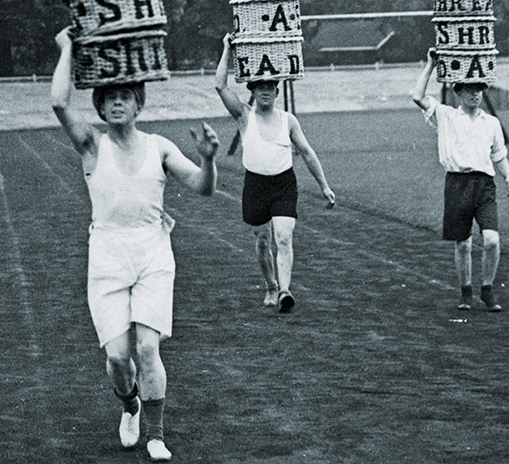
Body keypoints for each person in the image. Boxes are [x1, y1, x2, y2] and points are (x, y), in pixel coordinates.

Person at [50, 27, 219, 461]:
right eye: (109, 97)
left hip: (152, 252)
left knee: (147, 347)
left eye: (126, 95)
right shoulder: (92, 145)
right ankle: (130, 406)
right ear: (101, 106)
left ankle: (156, 435)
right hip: (106, 254)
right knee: (118, 357)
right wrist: (68, 48)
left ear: (139, 102)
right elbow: (57, 102)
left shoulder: (159, 147)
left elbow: (201, 187)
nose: (117, 102)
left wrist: (209, 159)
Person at [215, 33, 336, 312]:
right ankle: (270, 284)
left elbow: (307, 152)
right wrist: (227, 50)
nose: (266, 91)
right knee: (262, 240)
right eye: (260, 87)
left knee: (283, 237)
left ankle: (284, 291)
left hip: (283, 185)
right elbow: (220, 86)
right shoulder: (244, 116)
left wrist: (324, 186)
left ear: (277, 91)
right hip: (255, 185)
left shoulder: (288, 120)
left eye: (271, 86)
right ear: (253, 91)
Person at [412, 48, 509, 312]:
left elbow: (499, 154)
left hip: (484, 186)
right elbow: (417, 96)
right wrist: (430, 65)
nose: (476, 94)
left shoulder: (491, 122)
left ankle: (488, 291)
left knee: (492, 240)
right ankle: (466, 293)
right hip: (457, 183)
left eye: (479, 89)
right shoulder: (446, 116)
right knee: (463, 243)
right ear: (458, 92)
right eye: (470, 89)